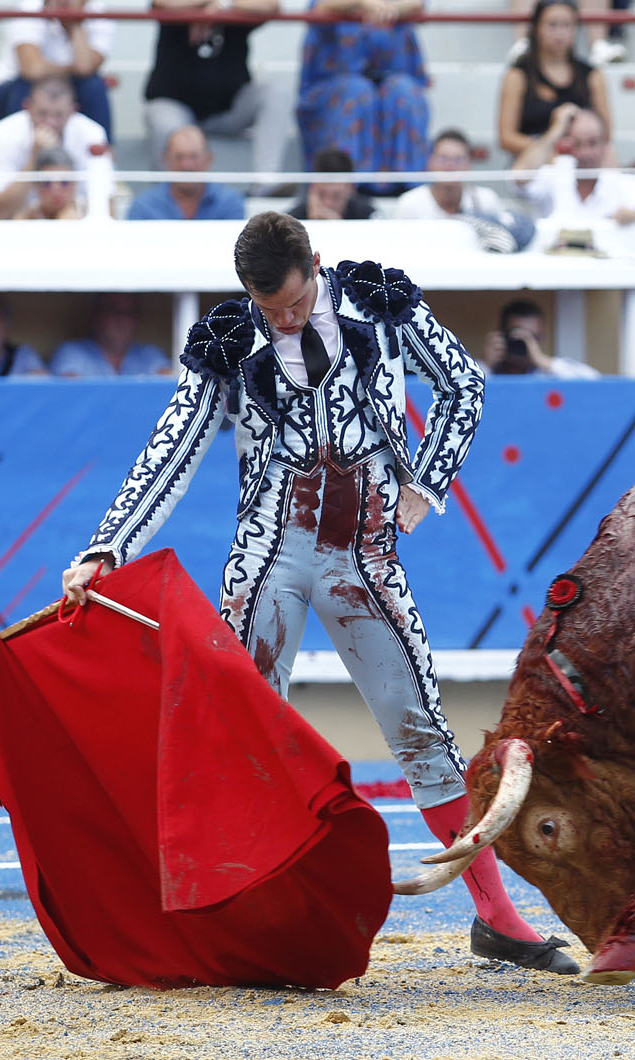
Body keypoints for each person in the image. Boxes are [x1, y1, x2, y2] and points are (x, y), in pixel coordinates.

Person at [58, 212, 580, 976]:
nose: (285, 319)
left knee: (422, 730)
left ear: (317, 265)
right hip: (267, 555)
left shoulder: (379, 302)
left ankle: (498, 919)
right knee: (238, 739)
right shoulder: (231, 338)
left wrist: (425, 484)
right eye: (271, 310)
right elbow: (174, 443)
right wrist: (108, 545)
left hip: (364, 554)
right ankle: (237, 917)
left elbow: (463, 385)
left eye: (295, 304)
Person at [143, 0, 291, 190]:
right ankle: (165, 196)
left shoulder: (234, 5)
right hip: (177, 107)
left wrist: (224, 5)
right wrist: (206, 8)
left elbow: (272, 5)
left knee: (276, 93)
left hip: (229, 108)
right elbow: (161, 3)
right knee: (164, 121)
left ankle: (265, 183)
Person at [295, 0, 430, 194]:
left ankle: (407, 187)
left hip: (386, 82)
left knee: (404, 91)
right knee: (357, 92)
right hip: (331, 86)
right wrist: (364, 3)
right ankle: (348, 189)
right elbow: (321, 8)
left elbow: (417, 4)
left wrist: (389, 8)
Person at [0, 0, 115, 140]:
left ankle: (102, 154)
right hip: (6, 95)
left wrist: (74, 25)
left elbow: (84, 68)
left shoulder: (98, 11)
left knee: (93, 86)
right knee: (26, 86)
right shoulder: (30, 7)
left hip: (66, 94)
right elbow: (31, 70)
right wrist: (71, 69)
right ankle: (18, 150)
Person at [0, 75, 109, 221]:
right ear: (27, 107)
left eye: (58, 115)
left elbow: (107, 207)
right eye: (42, 114)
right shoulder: (1, 135)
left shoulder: (91, 134)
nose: (50, 123)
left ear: (73, 110)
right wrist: (34, 157)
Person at [496, 0, 611, 158]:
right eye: (552, 25)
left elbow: (606, 134)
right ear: (536, 28)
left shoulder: (592, 75)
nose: (559, 33)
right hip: (534, 167)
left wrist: (577, 152)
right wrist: (551, 150)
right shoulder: (517, 76)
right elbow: (506, 138)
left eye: (566, 25)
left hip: (582, 163)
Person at [511, 104, 635, 224]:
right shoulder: (552, 176)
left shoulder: (622, 181)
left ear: (605, 144)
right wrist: (555, 131)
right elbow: (520, 176)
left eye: (593, 143)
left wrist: (634, 216)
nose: (585, 153)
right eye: (577, 143)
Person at [396, 128, 536, 251]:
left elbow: (503, 239)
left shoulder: (486, 200)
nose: (450, 165)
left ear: (469, 163)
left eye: (458, 159)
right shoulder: (410, 203)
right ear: (430, 161)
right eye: (443, 158)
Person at [126, 124, 246, 220]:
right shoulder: (143, 207)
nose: (186, 165)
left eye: (194, 157)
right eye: (179, 157)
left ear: (209, 159)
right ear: (165, 159)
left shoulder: (230, 202)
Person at [51, 293, 172, 376]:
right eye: (114, 310)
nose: (122, 319)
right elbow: (72, 398)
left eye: (129, 312)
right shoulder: (72, 354)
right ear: (96, 316)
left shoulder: (149, 355)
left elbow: (171, 387)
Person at [478, 299, 597, 378]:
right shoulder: (486, 372)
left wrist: (542, 361)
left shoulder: (547, 373)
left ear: (540, 339)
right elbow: (464, 396)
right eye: (517, 335)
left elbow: (595, 382)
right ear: (502, 335)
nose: (524, 342)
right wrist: (485, 365)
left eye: (532, 337)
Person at [285, 146, 377, 221]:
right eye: (321, 194)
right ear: (312, 188)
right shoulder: (293, 219)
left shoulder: (367, 216)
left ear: (350, 188)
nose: (328, 203)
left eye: (336, 196)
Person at [15, 145, 83, 219]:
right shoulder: (25, 220)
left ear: (75, 183)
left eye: (64, 182)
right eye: (47, 183)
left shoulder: (90, 214)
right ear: (36, 185)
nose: (56, 190)